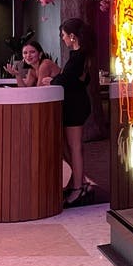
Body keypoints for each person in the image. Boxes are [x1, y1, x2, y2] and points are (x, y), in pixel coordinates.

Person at [42, 18, 93, 207]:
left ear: (72, 36)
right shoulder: (80, 55)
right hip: (74, 105)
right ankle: (78, 182)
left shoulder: (79, 56)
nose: (62, 38)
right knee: (69, 147)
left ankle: (78, 188)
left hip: (75, 107)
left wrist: (53, 81)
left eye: (63, 35)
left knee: (74, 147)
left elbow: (68, 80)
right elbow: (72, 79)